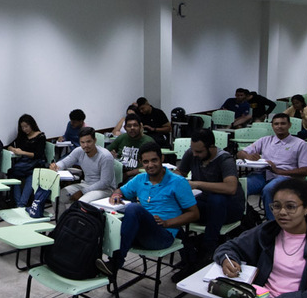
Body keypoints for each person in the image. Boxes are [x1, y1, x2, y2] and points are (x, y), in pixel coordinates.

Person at [96, 143, 199, 276]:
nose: (150, 165)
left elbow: (194, 214)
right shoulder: (140, 179)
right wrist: (116, 195)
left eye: (154, 160)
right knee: (101, 213)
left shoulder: (178, 182)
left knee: (133, 208)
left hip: (162, 235)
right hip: (141, 232)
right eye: (146, 162)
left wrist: (167, 223)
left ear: (162, 158)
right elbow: (120, 190)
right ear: (141, 163)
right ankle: (91, 261)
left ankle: (115, 263)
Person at [175, 128, 245, 263]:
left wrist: (197, 184)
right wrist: (176, 179)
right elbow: (180, 172)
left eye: (199, 151)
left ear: (211, 147)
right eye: (193, 150)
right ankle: (187, 250)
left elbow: (230, 188)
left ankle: (208, 248)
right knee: (173, 207)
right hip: (206, 204)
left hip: (230, 208)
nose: (195, 154)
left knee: (217, 199)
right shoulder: (192, 153)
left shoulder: (225, 159)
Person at [237, 113, 307, 221]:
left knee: (269, 190)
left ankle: (273, 224)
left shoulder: (300, 144)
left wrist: (278, 171)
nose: (279, 126)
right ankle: (245, 218)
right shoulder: (265, 140)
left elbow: (305, 170)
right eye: (276, 124)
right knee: (240, 186)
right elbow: (240, 153)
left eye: (283, 123)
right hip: (262, 175)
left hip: (285, 177)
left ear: (289, 125)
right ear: (272, 126)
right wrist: (248, 156)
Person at [50, 126, 116, 204]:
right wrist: (56, 166)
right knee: (56, 197)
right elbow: (64, 162)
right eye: (82, 142)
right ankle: (64, 216)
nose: (85, 145)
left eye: (89, 142)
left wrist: (83, 192)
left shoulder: (105, 156)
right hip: (86, 184)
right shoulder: (79, 151)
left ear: (95, 141)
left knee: (81, 203)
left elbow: (105, 182)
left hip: (105, 189)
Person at [6, 114, 47, 207]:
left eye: (26, 126)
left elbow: (38, 154)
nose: (25, 129)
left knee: (32, 175)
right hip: (24, 164)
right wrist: (13, 149)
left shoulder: (40, 136)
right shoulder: (23, 136)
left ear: (32, 124)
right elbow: (9, 145)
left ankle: (21, 204)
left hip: (37, 163)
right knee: (13, 173)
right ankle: (18, 203)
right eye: (22, 127)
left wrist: (22, 152)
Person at [108, 113, 156, 183]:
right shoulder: (122, 137)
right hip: (120, 171)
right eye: (129, 126)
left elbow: (150, 165)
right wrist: (110, 155)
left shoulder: (148, 141)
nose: (132, 128)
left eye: (135, 125)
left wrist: (127, 174)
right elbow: (107, 152)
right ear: (125, 128)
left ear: (140, 126)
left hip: (137, 175)